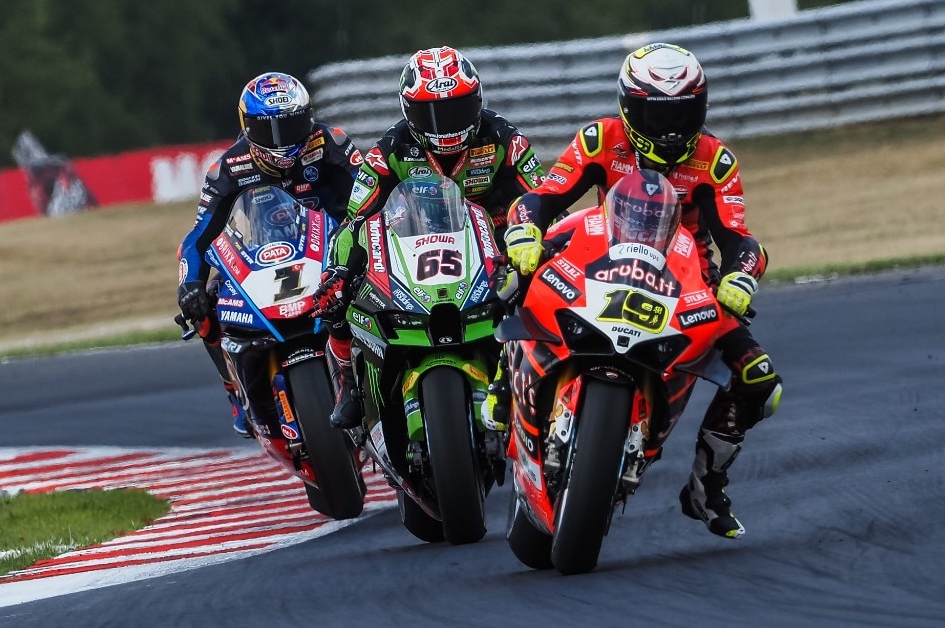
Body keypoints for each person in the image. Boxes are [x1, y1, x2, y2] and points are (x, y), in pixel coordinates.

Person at [493, 42, 781, 538]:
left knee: (760, 381)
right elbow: (541, 198)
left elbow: (740, 239)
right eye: (656, 115)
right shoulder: (599, 139)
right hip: (598, 253)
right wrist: (524, 231)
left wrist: (740, 276)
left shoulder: (715, 161)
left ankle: (705, 486)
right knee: (514, 271)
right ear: (628, 107)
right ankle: (502, 383)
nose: (670, 130)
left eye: (683, 114)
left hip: (685, 275)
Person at [312, 46, 545, 428]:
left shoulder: (505, 138)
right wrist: (338, 273)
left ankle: (536, 376)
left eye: (456, 109)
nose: (446, 125)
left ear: (477, 101)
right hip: (417, 245)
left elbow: (544, 198)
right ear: (409, 111)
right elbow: (356, 219)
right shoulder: (390, 149)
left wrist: (540, 239)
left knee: (541, 282)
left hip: (493, 241)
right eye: (431, 114)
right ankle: (349, 382)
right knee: (336, 294)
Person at [176, 72, 362, 437]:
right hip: (261, 260)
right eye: (270, 129)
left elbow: (372, 196)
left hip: (331, 252)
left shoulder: (332, 143)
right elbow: (198, 237)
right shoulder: (228, 168)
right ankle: (234, 390)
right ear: (248, 127)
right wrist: (189, 285)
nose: (283, 140)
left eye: (292, 124)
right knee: (204, 304)